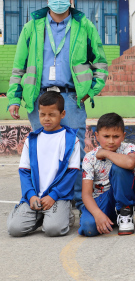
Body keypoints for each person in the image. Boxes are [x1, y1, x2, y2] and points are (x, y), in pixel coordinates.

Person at [7, 0, 108, 212]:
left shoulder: (84, 26)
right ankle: (45, 194)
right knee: (42, 148)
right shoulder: (32, 27)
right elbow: (19, 66)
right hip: (39, 98)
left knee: (75, 147)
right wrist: (14, 97)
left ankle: (76, 197)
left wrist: (89, 92)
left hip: (71, 97)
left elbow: (101, 64)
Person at [7, 92, 80, 237]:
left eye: (52, 114)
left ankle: (65, 215)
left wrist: (54, 195)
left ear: (62, 114)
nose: (46, 119)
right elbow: (24, 171)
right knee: (14, 229)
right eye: (42, 114)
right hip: (35, 196)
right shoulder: (32, 140)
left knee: (54, 230)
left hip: (57, 197)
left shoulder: (71, 140)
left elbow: (72, 173)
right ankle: (40, 215)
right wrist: (31, 195)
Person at [79, 113, 135, 236]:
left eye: (116, 136)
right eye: (106, 136)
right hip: (102, 199)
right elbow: (86, 194)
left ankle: (125, 213)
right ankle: (110, 217)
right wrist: (97, 214)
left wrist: (106, 153)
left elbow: (130, 163)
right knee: (89, 228)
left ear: (123, 136)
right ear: (96, 135)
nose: (111, 141)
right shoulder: (89, 158)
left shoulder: (128, 148)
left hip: (127, 195)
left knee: (120, 167)